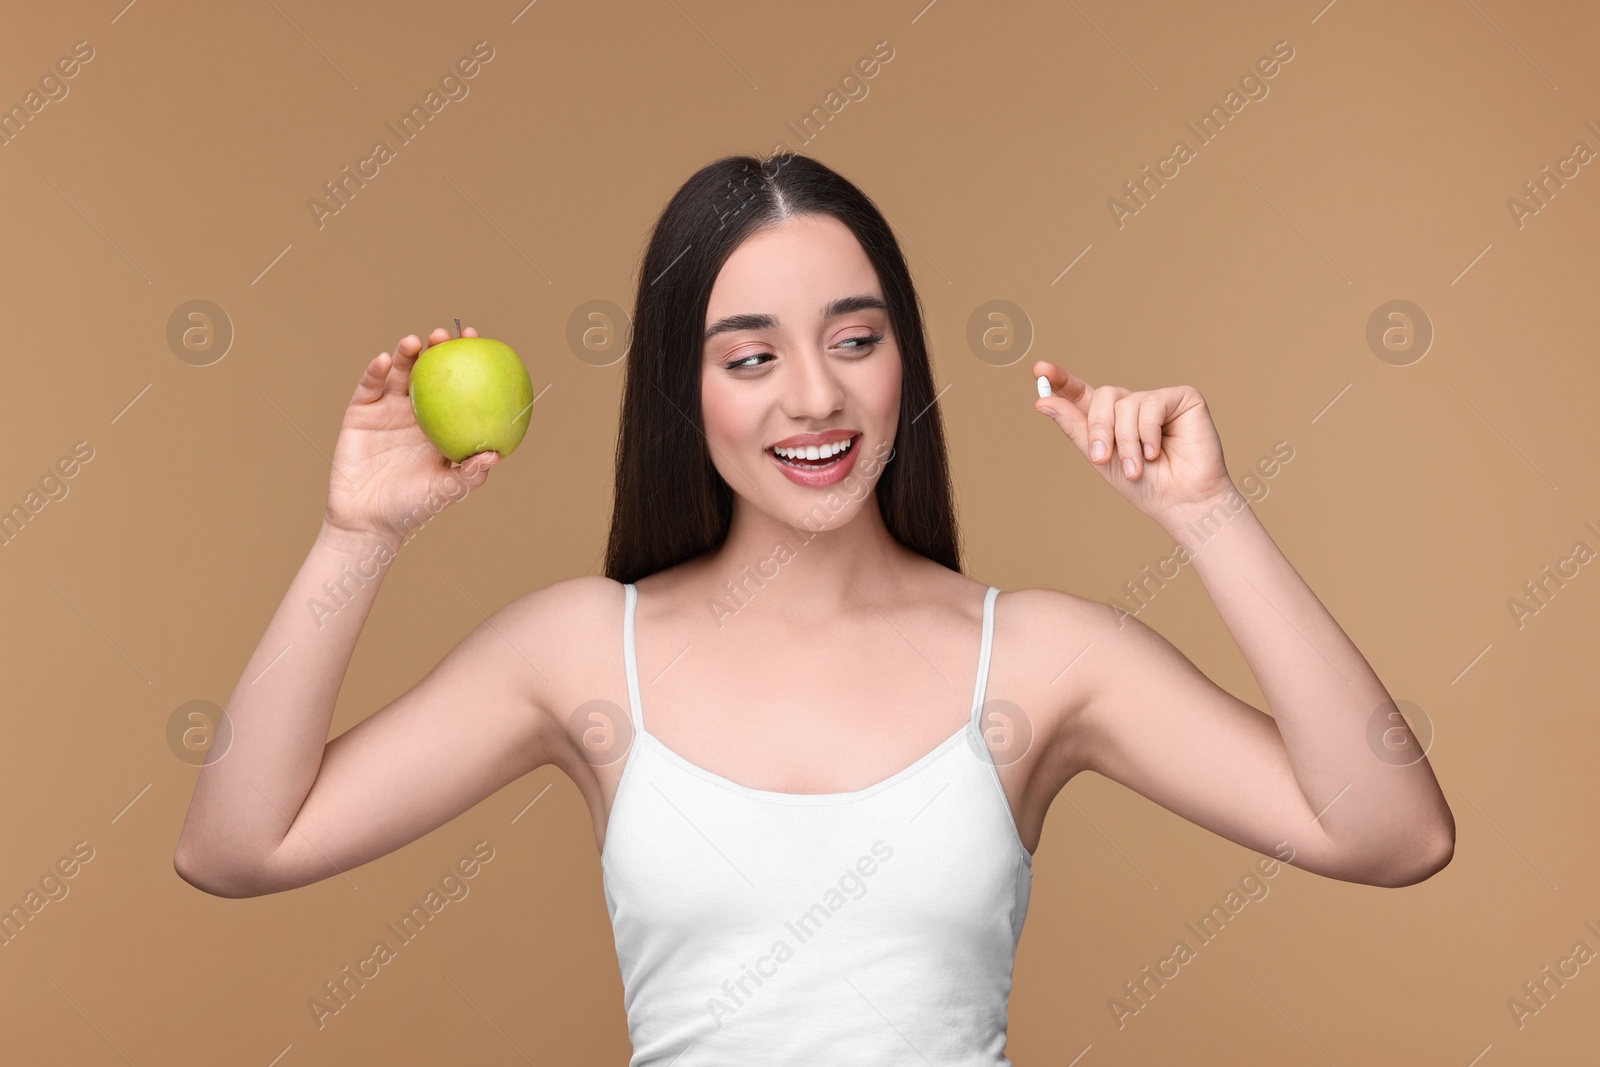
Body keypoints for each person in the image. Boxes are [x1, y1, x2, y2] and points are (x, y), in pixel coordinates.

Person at [173, 152, 1454, 1063]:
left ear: (905, 360)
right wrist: (357, 537)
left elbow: (1393, 831)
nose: (814, 399)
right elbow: (238, 845)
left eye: (855, 339)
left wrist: (1205, 513)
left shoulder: (1046, 658)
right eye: (749, 356)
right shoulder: (579, 651)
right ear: (688, 387)